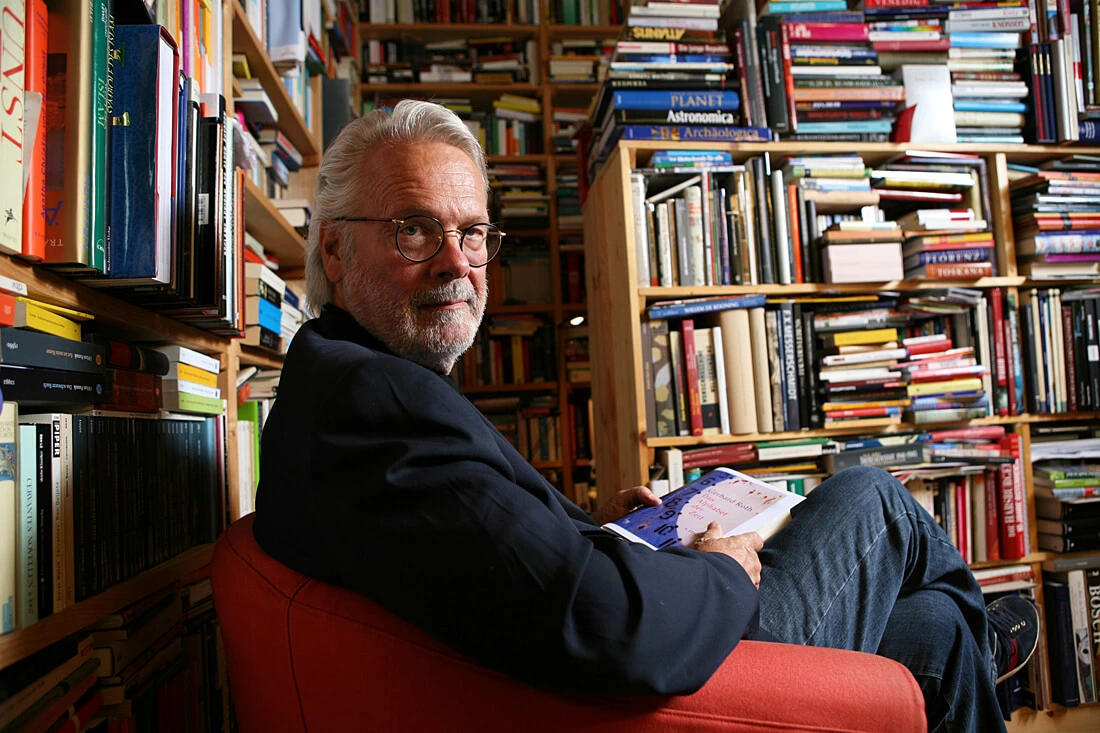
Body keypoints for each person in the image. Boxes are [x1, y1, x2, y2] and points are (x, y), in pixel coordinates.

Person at [252, 100, 1039, 733]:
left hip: (605, 665)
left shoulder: (345, 383)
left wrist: (598, 532)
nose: (457, 261)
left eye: (473, 233)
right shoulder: (372, 408)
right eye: (416, 229)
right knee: (874, 498)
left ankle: (974, 640)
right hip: (672, 685)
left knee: (935, 631)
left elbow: (480, 556)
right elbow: (601, 619)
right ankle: (992, 638)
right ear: (334, 252)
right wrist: (725, 566)